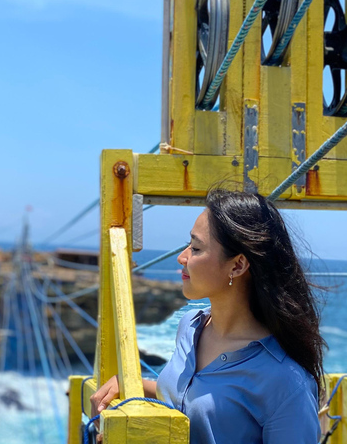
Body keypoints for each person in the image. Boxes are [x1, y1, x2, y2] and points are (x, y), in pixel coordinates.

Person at [91, 189, 325, 443]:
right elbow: (187, 400)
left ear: (237, 265)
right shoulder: (190, 326)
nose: (182, 257)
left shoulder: (286, 382)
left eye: (196, 248)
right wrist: (126, 389)